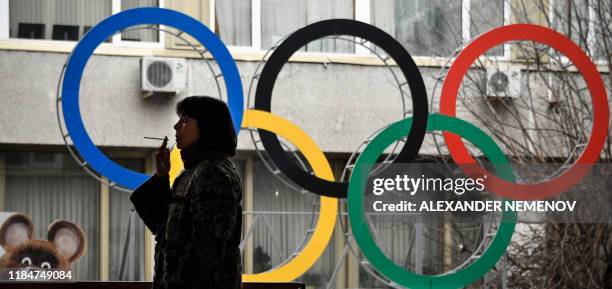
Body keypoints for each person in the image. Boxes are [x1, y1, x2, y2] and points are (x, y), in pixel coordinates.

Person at [130, 96, 243, 289]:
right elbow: (162, 228)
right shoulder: (191, 172)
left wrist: (176, 283)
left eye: (185, 120)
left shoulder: (212, 172)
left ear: (206, 128)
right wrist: (161, 176)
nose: (176, 126)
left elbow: (207, 250)